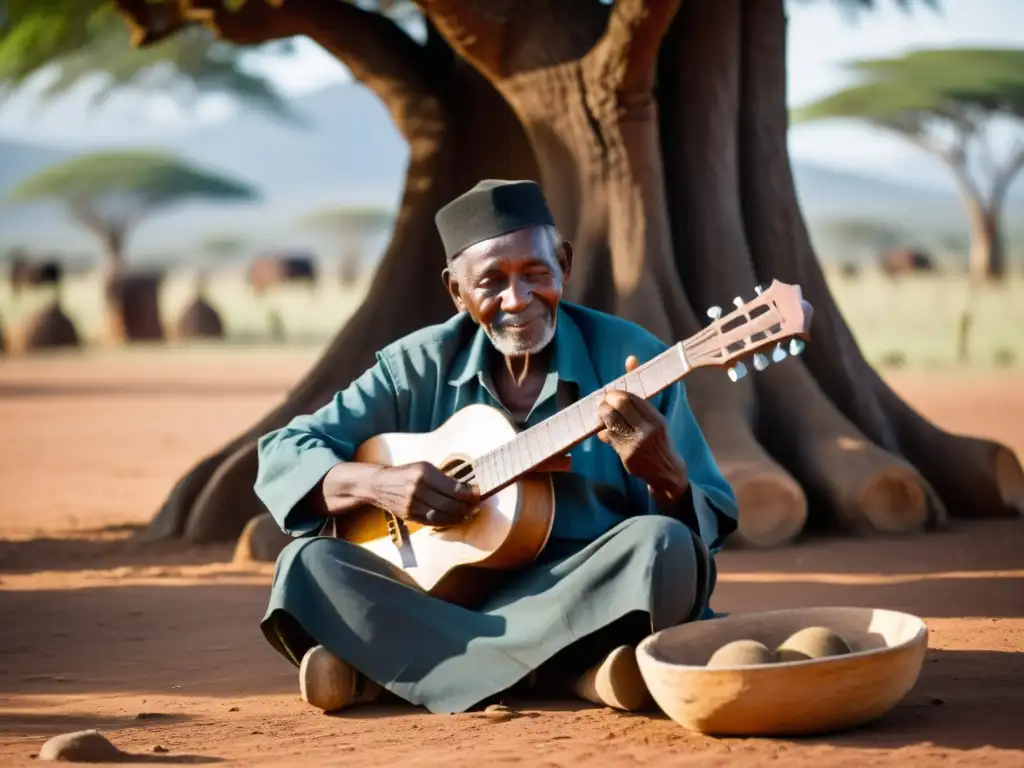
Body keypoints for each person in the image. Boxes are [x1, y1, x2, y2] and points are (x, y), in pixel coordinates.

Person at [254, 179, 738, 716]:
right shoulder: (414, 366)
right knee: (305, 563)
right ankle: (574, 674)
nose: (517, 300)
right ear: (457, 292)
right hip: (433, 596)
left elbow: (705, 528)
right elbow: (284, 449)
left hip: (577, 591)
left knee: (665, 548)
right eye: (491, 282)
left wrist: (665, 474)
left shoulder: (637, 361)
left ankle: (395, 674)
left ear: (565, 264)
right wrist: (379, 484)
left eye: (535, 274)